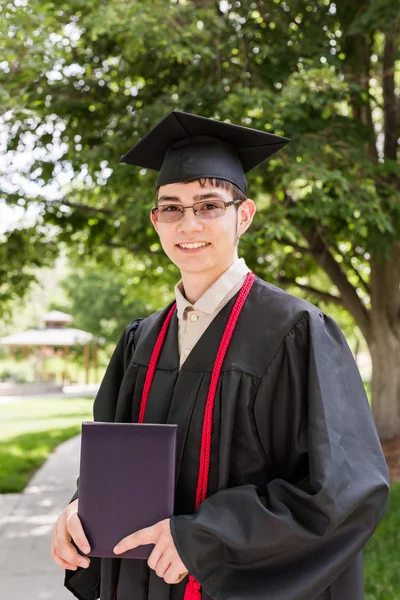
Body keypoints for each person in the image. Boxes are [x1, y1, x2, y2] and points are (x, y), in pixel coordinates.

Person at [51, 110, 390, 600]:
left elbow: (344, 493)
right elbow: (110, 468)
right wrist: (77, 514)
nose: (188, 223)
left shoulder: (297, 331)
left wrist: (206, 537)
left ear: (244, 215)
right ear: (156, 221)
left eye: (209, 205)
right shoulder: (140, 341)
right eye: (171, 208)